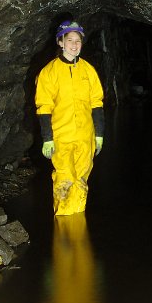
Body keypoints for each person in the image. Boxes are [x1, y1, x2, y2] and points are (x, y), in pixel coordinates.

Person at [35, 20, 104, 215]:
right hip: (61, 136)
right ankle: (64, 222)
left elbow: (97, 103)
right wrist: (47, 138)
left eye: (78, 41)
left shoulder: (88, 71)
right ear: (60, 42)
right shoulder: (48, 72)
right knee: (64, 179)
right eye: (70, 40)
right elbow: (43, 106)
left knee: (81, 179)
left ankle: (77, 222)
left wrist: (99, 134)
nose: (74, 45)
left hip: (85, 136)